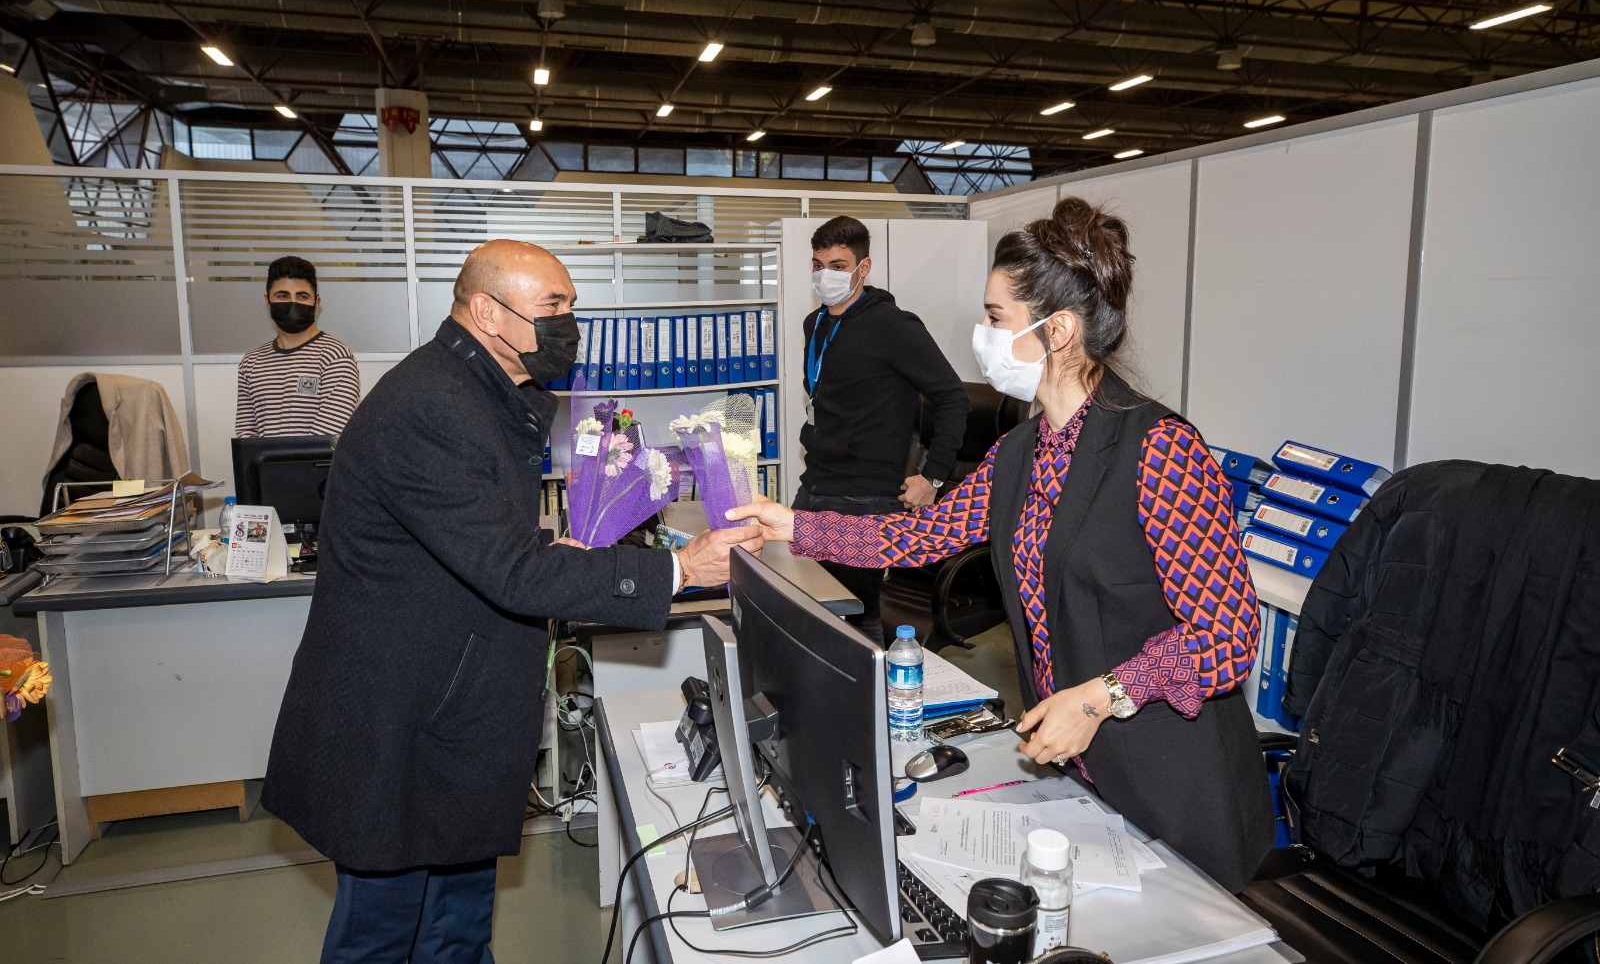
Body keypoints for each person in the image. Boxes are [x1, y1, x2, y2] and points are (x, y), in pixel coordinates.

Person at [735, 198, 1275, 891]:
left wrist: (1100, 697)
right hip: (1080, 774)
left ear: (1060, 330)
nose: (982, 335)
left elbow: (1228, 636)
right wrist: (794, 526)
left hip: (1173, 782)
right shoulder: (1020, 451)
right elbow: (919, 534)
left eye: (996, 318)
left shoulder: (1160, 451)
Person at [261, 240, 763, 963]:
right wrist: (679, 569)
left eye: (571, 307)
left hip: (447, 712)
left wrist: (561, 553)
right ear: (487, 312)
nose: (569, 325)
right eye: (552, 307)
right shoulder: (430, 408)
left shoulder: (479, 391)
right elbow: (512, 573)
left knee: (456, 930)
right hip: (401, 725)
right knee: (382, 936)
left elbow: (477, 538)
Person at [797, 215, 969, 646]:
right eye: (818, 266)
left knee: (855, 614)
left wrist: (934, 476)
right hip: (815, 484)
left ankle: (874, 685)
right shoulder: (814, 324)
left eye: (838, 266)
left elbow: (953, 398)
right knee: (805, 607)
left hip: (866, 495)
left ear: (864, 267)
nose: (825, 276)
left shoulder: (895, 326)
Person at [235, 255, 360, 438]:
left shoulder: (335, 357)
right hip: (264, 460)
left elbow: (326, 438)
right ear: (268, 302)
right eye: (282, 295)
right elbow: (246, 434)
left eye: (302, 296)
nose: (292, 303)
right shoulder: (251, 362)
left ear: (316, 303)